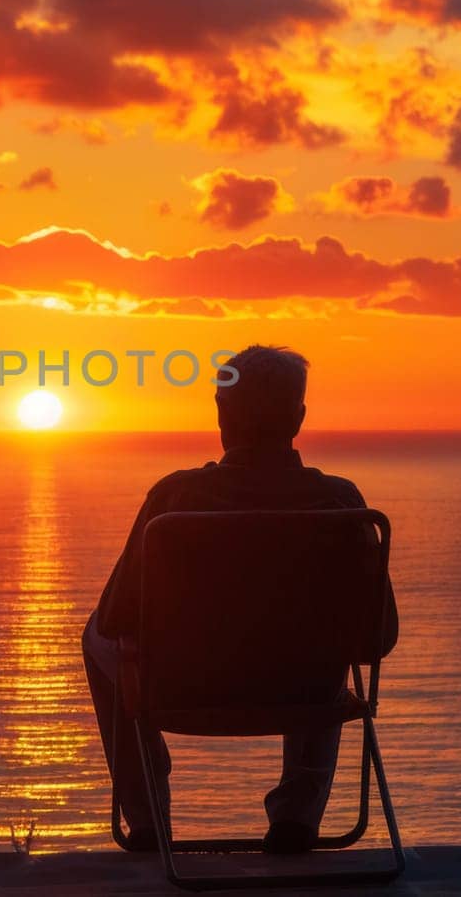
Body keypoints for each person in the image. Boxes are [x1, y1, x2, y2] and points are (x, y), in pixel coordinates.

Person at [82, 345, 398, 854]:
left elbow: (118, 614)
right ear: (298, 418)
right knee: (329, 647)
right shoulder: (340, 504)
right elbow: (377, 637)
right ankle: (297, 817)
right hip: (305, 693)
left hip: (186, 691)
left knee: (95, 634)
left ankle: (147, 819)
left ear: (221, 413)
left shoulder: (175, 501)